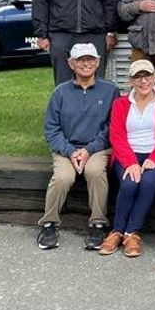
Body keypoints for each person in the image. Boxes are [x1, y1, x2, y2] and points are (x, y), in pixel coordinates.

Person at [36, 43, 119, 250]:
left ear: (98, 62)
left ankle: (98, 223)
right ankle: (49, 224)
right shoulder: (60, 92)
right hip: (67, 147)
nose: (86, 64)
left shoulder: (110, 90)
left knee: (94, 171)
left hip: (97, 148)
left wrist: (89, 150)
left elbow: (112, 127)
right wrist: (71, 151)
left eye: (90, 59)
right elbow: (52, 130)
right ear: (71, 64)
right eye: (80, 60)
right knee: (63, 177)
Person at [98, 59, 155, 257]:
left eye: (147, 76)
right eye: (138, 77)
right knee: (130, 183)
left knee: (147, 182)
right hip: (127, 154)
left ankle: (131, 233)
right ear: (131, 80)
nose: (143, 80)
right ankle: (117, 231)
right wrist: (130, 162)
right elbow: (117, 135)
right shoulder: (121, 104)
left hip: (154, 155)